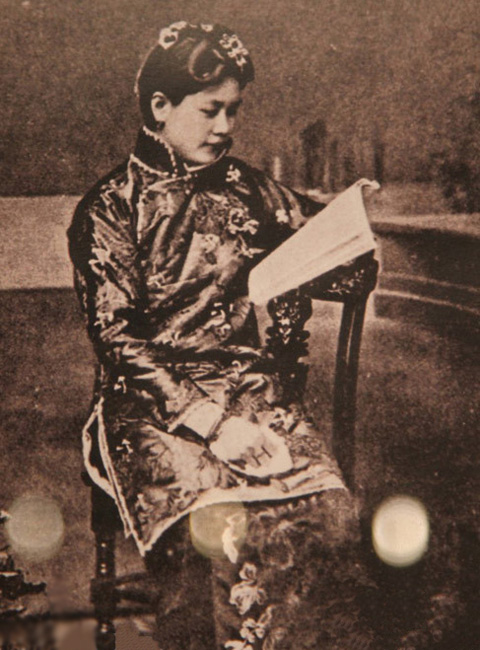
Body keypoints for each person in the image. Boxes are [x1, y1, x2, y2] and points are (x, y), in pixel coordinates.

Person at [68, 21, 377, 650]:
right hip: (150, 405)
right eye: (210, 110)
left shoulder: (250, 188)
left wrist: (352, 228)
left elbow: (335, 256)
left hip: (249, 389)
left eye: (234, 110)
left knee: (326, 514)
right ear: (160, 106)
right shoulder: (110, 207)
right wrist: (212, 424)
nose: (225, 127)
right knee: (214, 524)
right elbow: (117, 339)